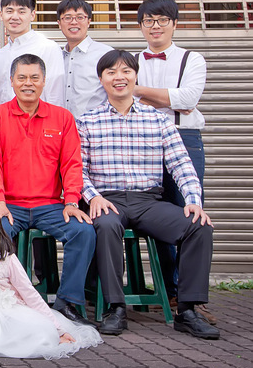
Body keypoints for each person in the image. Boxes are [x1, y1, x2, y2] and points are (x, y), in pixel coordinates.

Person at [78, 49, 218, 339]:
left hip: (148, 201)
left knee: (198, 226)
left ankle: (188, 309)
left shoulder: (158, 120)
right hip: (108, 199)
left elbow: (181, 164)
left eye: (126, 71)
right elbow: (77, 169)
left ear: (135, 75)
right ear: (101, 79)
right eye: (111, 72)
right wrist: (93, 197)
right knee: (104, 226)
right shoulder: (87, 121)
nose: (119, 77)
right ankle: (115, 308)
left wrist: (193, 201)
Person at [0, 53, 96, 326]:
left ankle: (68, 302)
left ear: (44, 81)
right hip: (10, 205)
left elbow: (71, 164)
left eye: (34, 77)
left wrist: (71, 201)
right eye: (22, 78)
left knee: (83, 231)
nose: (28, 83)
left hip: (51, 205)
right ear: (11, 81)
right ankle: (6, 301)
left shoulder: (62, 118)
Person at [133, 0, 210, 320]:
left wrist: (138, 90)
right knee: (158, 217)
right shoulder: (133, 59)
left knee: (190, 215)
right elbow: (125, 99)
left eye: (162, 20)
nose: (155, 26)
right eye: (149, 21)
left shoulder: (192, 59)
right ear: (140, 26)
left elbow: (188, 99)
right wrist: (167, 99)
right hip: (144, 143)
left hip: (185, 138)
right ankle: (171, 292)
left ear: (175, 24)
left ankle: (193, 299)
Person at [0, 204, 102, 358]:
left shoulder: (6, 258)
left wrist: (58, 329)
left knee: (39, 335)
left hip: (8, 310)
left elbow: (29, 292)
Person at [0, 0, 65, 108]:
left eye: (21, 11)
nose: (14, 17)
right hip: (4, 124)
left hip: (39, 122)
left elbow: (55, 97)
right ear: (1, 15)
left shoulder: (48, 48)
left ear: (32, 15)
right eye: (9, 11)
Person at [57, 0, 111, 120]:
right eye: (67, 18)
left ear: (89, 21)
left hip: (96, 128)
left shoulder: (104, 54)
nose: (74, 22)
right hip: (61, 130)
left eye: (80, 17)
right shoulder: (56, 57)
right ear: (59, 23)